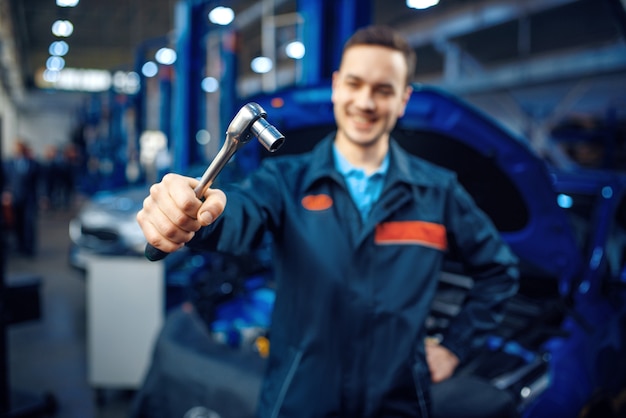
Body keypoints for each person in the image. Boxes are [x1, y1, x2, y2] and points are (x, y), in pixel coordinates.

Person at [137, 25, 519, 418]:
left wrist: (455, 346)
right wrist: (197, 217)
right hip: (300, 400)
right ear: (337, 86)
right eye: (355, 83)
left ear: (403, 99)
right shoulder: (285, 181)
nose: (366, 101)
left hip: (398, 402)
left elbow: (499, 271)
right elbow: (239, 213)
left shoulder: (439, 192)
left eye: (384, 89)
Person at [2, 139, 41, 256]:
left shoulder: (33, 164)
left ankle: (29, 248)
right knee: (17, 223)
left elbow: (38, 182)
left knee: (28, 223)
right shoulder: (8, 164)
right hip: (14, 198)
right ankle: (19, 246)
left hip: (29, 198)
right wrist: (6, 193)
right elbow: (5, 181)